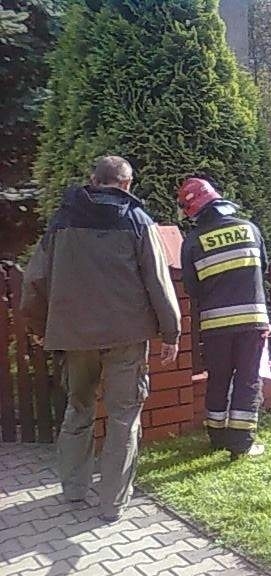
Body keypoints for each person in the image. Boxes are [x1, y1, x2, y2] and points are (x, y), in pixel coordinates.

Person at [21, 156, 181, 522]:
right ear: (127, 184)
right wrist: (170, 330)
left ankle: (74, 491)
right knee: (124, 418)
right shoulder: (137, 221)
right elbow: (158, 281)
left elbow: (35, 280)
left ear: (93, 180)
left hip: (75, 338)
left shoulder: (62, 221)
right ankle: (113, 505)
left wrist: (41, 327)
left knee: (78, 409)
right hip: (126, 337)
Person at [177, 177, 271, 460]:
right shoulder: (250, 229)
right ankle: (241, 443)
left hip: (215, 324)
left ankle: (217, 436)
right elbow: (262, 268)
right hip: (251, 319)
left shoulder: (193, 241)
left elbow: (191, 288)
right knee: (247, 379)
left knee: (218, 378)